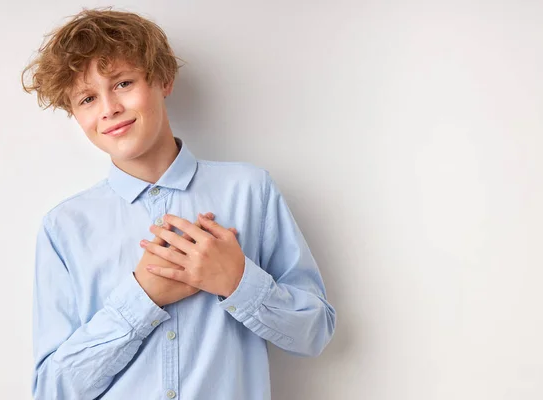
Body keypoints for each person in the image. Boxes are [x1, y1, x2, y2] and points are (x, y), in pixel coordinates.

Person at [22, 7, 336, 400]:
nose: (109, 108)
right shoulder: (63, 228)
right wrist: (142, 299)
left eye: (122, 83)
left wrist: (238, 282)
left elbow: (315, 333)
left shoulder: (250, 190)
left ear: (163, 79)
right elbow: (52, 391)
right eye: (87, 98)